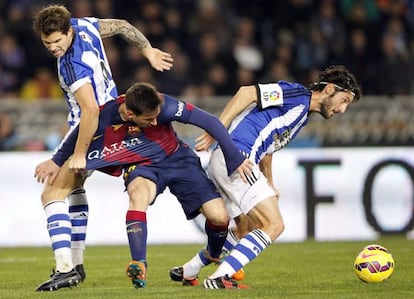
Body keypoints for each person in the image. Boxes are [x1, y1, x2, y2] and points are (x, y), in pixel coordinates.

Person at [40, 82, 253, 289]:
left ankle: (213, 253)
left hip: (178, 159)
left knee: (219, 217)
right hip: (142, 166)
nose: (154, 122)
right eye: (149, 119)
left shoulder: (164, 105)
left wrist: (234, 158)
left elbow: (211, 121)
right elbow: (78, 133)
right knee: (138, 195)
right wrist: (56, 160)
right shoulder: (105, 116)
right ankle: (139, 264)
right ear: (131, 115)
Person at [169, 65, 362, 289]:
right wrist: (217, 129)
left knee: (246, 229)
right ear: (330, 89)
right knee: (274, 224)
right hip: (238, 158)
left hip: (229, 161)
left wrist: (269, 182)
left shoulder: (302, 114)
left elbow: (268, 147)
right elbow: (247, 93)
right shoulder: (296, 95)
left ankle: (189, 270)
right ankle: (219, 277)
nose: (343, 109)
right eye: (344, 100)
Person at [32, 4, 173, 291]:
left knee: (51, 194)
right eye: (48, 43)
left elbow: (90, 111)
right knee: (75, 188)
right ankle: (77, 264)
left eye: (58, 41)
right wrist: (147, 50)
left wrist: (79, 152)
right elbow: (121, 25)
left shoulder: (73, 66)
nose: (54, 48)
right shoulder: (84, 25)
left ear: (68, 32)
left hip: (93, 127)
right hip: (111, 118)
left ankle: (65, 268)